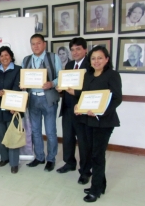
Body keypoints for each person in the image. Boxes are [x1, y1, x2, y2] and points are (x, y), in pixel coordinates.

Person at [74, 46, 122, 202]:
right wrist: (78, 106)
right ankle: (100, 184)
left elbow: (117, 99)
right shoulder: (88, 75)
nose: (96, 61)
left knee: (97, 155)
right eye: (93, 58)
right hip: (87, 120)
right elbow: (84, 95)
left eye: (100, 58)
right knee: (89, 152)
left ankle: (95, 190)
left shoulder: (112, 75)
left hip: (104, 121)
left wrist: (101, 111)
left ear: (107, 59)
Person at [22, 34, 62, 171]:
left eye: (38, 43)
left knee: (50, 132)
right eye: (33, 44)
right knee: (35, 131)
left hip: (48, 98)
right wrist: (23, 85)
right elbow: (23, 78)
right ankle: (39, 157)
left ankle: (51, 158)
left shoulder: (53, 57)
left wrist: (52, 83)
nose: (36, 46)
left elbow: (60, 77)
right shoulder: (26, 60)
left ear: (44, 44)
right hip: (32, 98)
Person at [56, 37, 92, 185]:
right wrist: (61, 90)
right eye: (72, 49)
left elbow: (91, 88)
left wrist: (73, 92)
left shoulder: (90, 66)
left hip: (82, 110)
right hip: (68, 108)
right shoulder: (69, 65)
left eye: (78, 49)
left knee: (83, 142)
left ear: (85, 50)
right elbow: (65, 85)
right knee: (68, 139)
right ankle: (69, 163)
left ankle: (85, 171)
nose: (75, 52)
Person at [0, 46, 22, 174]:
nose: (4, 58)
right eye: (1, 56)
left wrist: (14, 104)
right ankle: (5, 158)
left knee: (13, 136)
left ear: (11, 56)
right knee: (1, 135)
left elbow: (17, 88)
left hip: (13, 108)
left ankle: (14, 163)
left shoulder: (18, 69)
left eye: (6, 55)